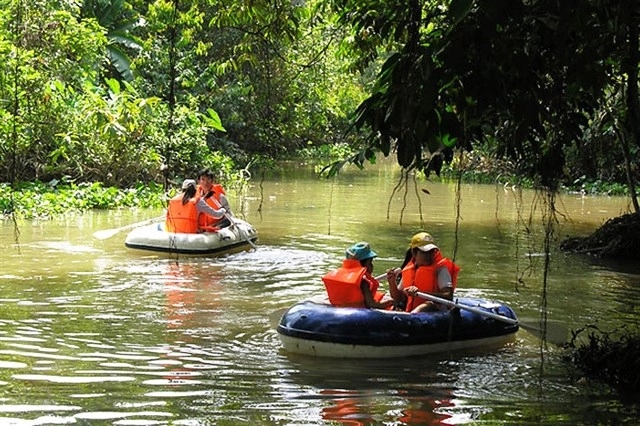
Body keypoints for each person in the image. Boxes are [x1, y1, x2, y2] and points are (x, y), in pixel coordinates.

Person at [386, 232, 460, 313]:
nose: (429, 255)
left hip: (435, 309)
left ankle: (412, 317)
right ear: (414, 252)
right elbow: (399, 298)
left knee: (426, 306)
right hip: (412, 311)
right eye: (425, 252)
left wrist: (419, 293)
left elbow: (448, 295)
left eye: (431, 252)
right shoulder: (408, 269)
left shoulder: (441, 270)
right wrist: (392, 282)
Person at [322, 242, 396, 309]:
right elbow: (372, 304)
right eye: (370, 263)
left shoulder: (340, 278)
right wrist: (389, 303)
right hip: (358, 314)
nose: (372, 266)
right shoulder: (363, 283)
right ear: (362, 266)